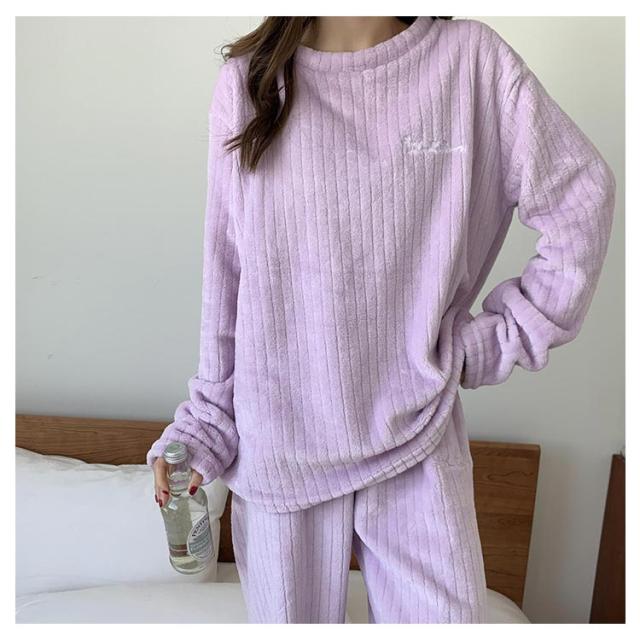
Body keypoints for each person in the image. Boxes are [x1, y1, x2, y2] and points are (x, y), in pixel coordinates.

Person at [147, 16, 616, 623]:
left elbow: (581, 201)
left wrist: (488, 345)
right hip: (280, 448)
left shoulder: (470, 63)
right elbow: (228, 273)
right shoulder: (250, 82)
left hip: (417, 435)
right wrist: (205, 426)